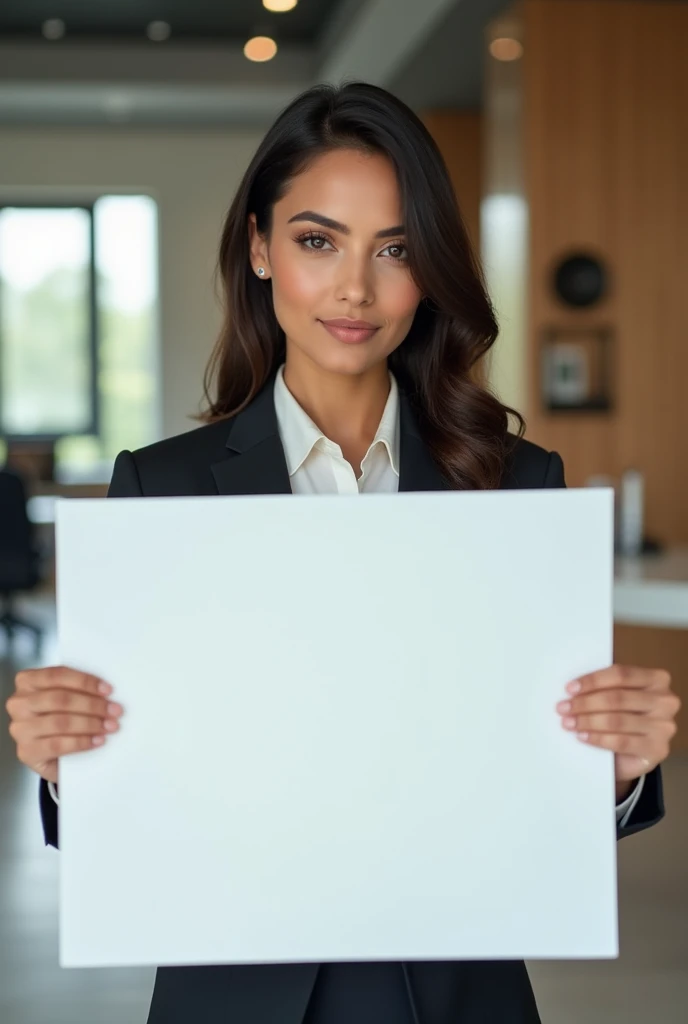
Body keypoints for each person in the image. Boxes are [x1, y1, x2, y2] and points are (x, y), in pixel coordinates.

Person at [6, 82, 680, 1024]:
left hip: (456, 991)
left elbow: (536, 788)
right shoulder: (160, 490)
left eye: (394, 249)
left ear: (430, 269)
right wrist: (65, 764)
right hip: (235, 993)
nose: (355, 288)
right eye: (317, 240)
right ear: (259, 247)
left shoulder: (515, 484)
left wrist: (612, 771)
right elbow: (142, 801)